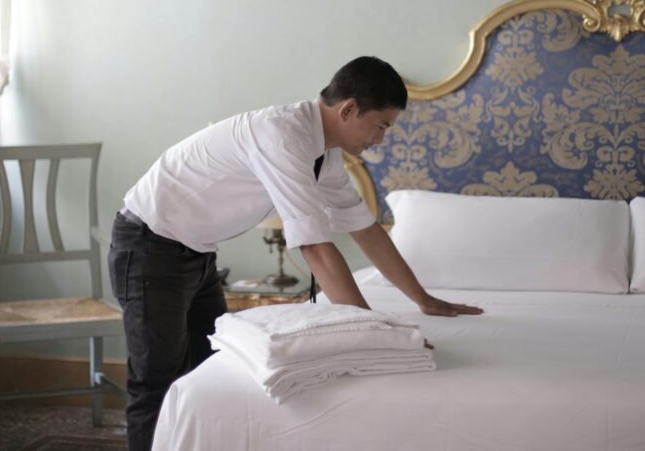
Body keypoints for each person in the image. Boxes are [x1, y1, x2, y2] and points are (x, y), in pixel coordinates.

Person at [108, 56, 483, 451]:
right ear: (349, 109)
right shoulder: (281, 136)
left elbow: (365, 230)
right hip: (149, 246)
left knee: (207, 374)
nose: (381, 139)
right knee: (156, 382)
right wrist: (376, 337)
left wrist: (421, 299)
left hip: (197, 254)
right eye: (381, 125)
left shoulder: (325, 154)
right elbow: (316, 249)